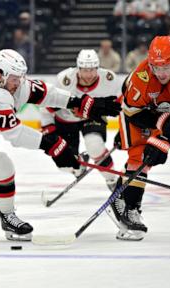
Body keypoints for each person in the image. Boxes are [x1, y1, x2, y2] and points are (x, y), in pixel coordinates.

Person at [0, 49, 121, 242]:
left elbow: (47, 94)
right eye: (14, 78)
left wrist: (84, 103)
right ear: (0, 74)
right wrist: (54, 145)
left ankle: (7, 217)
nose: (19, 83)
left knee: (3, 166)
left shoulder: (10, 81)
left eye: (21, 77)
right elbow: (15, 135)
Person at [109, 36, 170, 241]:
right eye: (156, 67)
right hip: (134, 111)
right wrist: (156, 132)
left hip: (161, 115)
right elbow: (132, 113)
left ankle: (120, 196)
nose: (161, 72)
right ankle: (130, 207)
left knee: (148, 159)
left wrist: (164, 139)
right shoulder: (141, 77)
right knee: (139, 158)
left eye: (166, 66)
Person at [40, 49, 121, 191]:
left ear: (98, 68)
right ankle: (78, 167)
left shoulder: (109, 79)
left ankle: (112, 179)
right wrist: (48, 128)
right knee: (65, 163)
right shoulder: (64, 80)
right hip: (65, 121)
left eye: (92, 70)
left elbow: (123, 105)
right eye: (85, 70)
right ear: (78, 68)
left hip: (92, 117)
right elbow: (46, 106)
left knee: (94, 145)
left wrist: (126, 128)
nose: (89, 75)